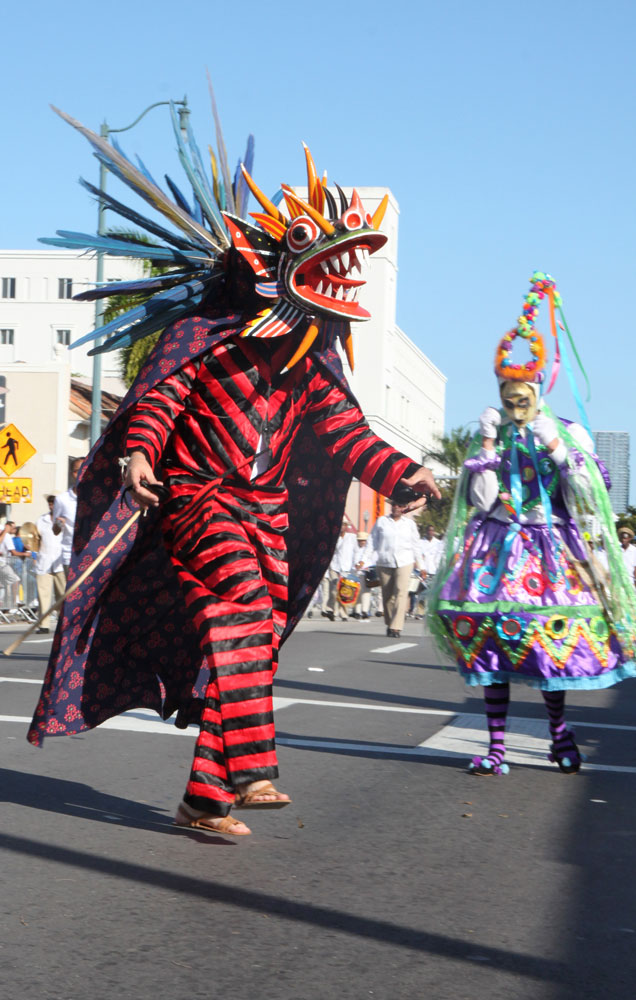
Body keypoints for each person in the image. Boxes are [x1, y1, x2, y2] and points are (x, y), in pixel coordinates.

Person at [29, 124, 440, 838]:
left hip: (268, 513)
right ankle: (252, 767)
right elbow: (158, 399)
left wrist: (404, 472)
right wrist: (138, 455)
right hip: (198, 498)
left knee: (249, 639)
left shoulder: (313, 364)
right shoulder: (203, 335)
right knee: (242, 606)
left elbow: (348, 435)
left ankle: (203, 798)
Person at [427, 273, 636, 775]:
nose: (514, 403)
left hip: (552, 549)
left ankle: (559, 737)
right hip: (497, 547)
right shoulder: (494, 435)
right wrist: (485, 449)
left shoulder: (565, 430)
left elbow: (590, 497)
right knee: (492, 643)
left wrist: (561, 449)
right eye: (507, 393)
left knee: (550, 646)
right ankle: (497, 748)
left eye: (521, 394)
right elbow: (478, 503)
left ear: (538, 389)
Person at [359, 502, 423, 637]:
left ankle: (396, 627)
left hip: (405, 561)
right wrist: (363, 559)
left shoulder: (409, 524)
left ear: (403, 508)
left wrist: (421, 566)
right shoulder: (382, 521)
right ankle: (389, 623)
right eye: (394, 505)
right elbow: (372, 542)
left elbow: (416, 545)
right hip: (384, 561)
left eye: (399, 506)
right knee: (387, 596)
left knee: (401, 591)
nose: (396, 508)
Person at [35, 496, 65, 633]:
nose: (51, 505)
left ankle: (63, 621)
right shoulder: (41, 520)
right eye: (50, 503)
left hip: (60, 561)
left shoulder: (66, 518)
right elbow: (35, 539)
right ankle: (44, 625)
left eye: (54, 503)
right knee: (43, 595)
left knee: (63, 594)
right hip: (44, 561)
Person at [323, 521, 358, 621]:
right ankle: (330, 609)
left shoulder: (351, 537)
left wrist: (357, 563)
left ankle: (343, 613)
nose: (341, 527)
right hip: (334, 566)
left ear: (346, 526)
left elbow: (355, 551)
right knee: (334, 589)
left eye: (343, 525)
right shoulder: (333, 538)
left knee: (344, 591)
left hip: (346, 567)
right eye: (340, 524)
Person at [52, 458, 82, 576]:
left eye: (83, 470)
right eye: (76, 471)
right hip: (70, 555)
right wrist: (59, 524)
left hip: (92, 553)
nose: (80, 474)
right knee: (73, 593)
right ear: (71, 474)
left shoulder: (95, 498)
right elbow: (55, 531)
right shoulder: (62, 499)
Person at [0, 521, 20, 609]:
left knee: (2, 585)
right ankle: (14, 603)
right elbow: (13, 552)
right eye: (13, 527)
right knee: (15, 579)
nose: (14, 530)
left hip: (3, 562)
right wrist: (25, 554)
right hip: (2, 563)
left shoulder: (6, 535)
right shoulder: (6, 535)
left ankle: (3, 606)